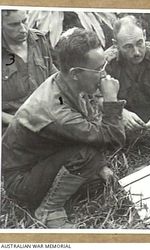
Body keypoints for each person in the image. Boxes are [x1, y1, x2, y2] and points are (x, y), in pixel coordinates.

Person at [1, 28, 126, 228]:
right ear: (76, 73)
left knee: (94, 175)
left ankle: (72, 183)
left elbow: (91, 125)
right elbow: (113, 140)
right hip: (21, 181)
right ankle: (48, 210)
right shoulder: (57, 110)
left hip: (41, 160)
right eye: (99, 69)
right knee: (86, 155)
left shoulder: (66, 84)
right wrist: (111, 102)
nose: (105, 75)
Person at [2, 10, 57, 130]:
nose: (23, 29)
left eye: (24, 21)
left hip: (44, 119)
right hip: (9, 127)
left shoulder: (39, 39)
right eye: (14, 24)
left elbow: (54, 77)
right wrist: (16, 121)